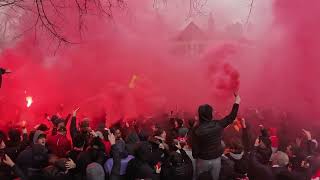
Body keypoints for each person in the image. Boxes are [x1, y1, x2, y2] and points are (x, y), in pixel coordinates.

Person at [191, 94, 240, 180]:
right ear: (210, 114)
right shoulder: (218, 124)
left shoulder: (196, 130)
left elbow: (195, 151)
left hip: (203, 160)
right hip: (216, 159)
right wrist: (237, 102)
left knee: (201, 178)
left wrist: (197, 156)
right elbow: (231, 117)